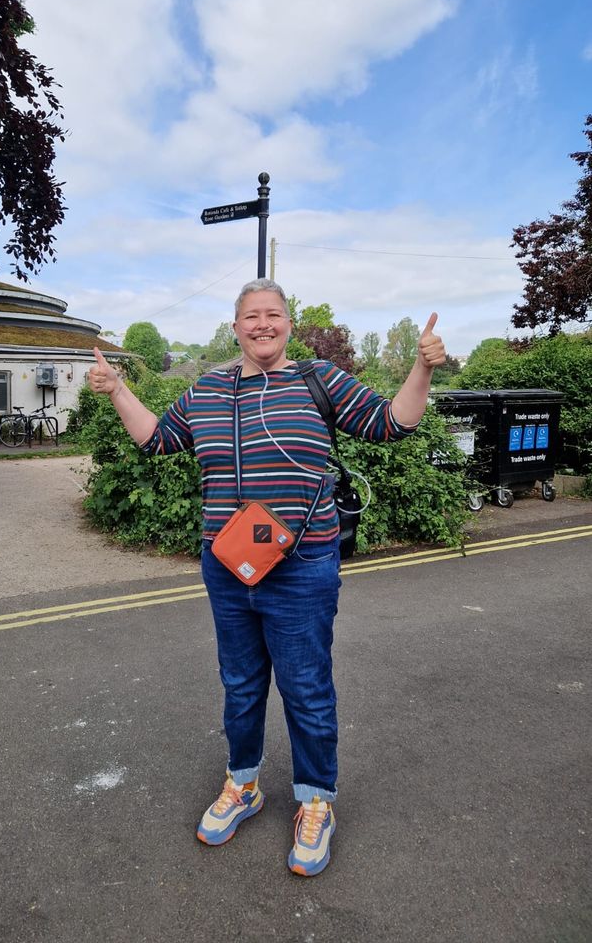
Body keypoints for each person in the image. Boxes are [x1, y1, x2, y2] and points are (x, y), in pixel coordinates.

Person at [89, 279, 445, 876]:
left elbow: (393, 423)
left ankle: (315, 802)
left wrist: (422, 369)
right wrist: (120, 388)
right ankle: (245, 784)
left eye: (272, 315)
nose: (262, 325)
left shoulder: (319, 382)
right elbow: (157, 439)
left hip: (302, 565)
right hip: (227, 566)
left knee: (306, 689)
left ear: (288, 323)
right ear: (235, 327)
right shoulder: (207, 390)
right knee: (241, 683)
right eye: (250, 316)